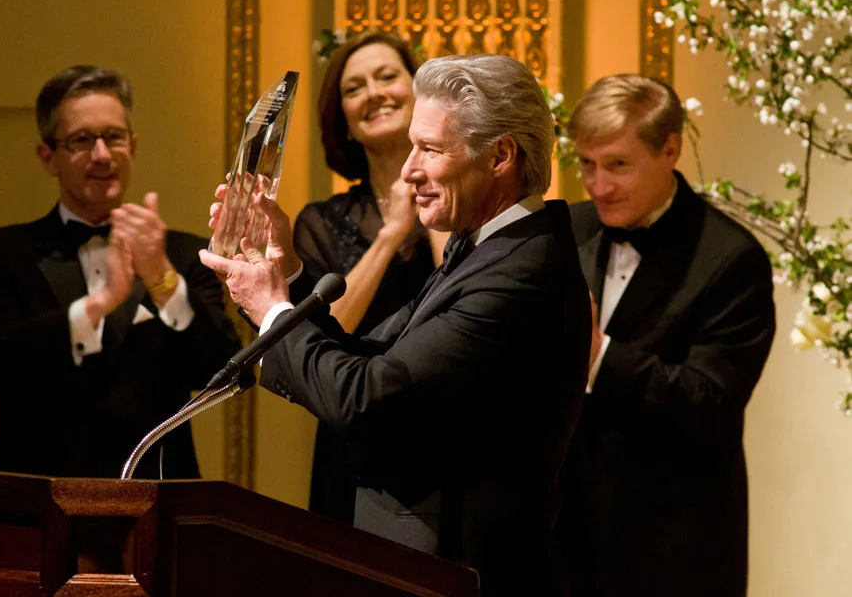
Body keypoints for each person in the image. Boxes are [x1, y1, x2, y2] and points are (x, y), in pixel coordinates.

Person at [200, 54, 591, 596]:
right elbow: (366, 358)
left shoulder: (523, 269)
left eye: (429, 149)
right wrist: (281, 276)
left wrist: (271, 308)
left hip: (467, 576)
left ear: (500, 155)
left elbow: (365, 398)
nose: (409, 170)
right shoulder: (485, 250)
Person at [0, 65, 241, 480]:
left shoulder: (184, 255)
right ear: (47, 157)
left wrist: (162, 281)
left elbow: (222, 372)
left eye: (114, 137)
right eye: (81, 140)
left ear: (133, 145)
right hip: (40, 496)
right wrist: (99, 305)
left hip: (161, 499)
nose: (102, 155)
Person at [558, 73, 777, 597]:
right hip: (564, 544)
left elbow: (711, 403)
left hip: (672, 551)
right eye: (587, 164)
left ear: (670, 150)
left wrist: (599, 356)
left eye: (618, 165)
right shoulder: (566, 230)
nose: (598, 185)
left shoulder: (731, 259)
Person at [297, 30, 444, 523]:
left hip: (444, 425)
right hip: (352, 433)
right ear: (343, 120)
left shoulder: (463, 203)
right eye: (354, 88)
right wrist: (391, 235)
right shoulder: (321, 220)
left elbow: (459, 290)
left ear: (420, 94)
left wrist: (430, 194)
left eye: (387, 77)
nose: (374, 93)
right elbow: (327, 330)